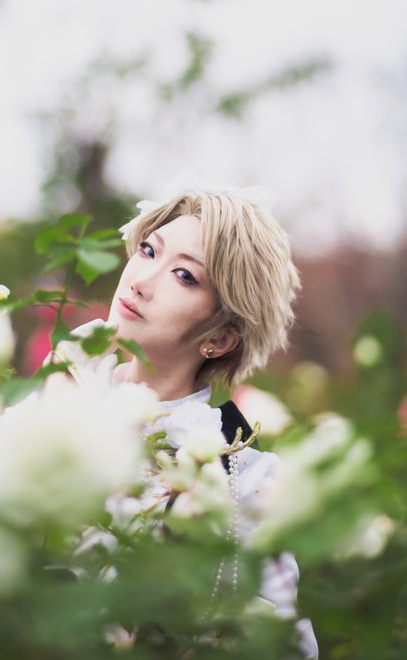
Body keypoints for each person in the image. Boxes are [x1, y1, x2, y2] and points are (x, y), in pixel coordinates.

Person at [55, 188, 318, 659]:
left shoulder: (243, 477)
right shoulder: (62, 389)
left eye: (184, 275)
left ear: (220, 338)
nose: (140, 281)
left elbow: (280, 645)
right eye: (148, 250)